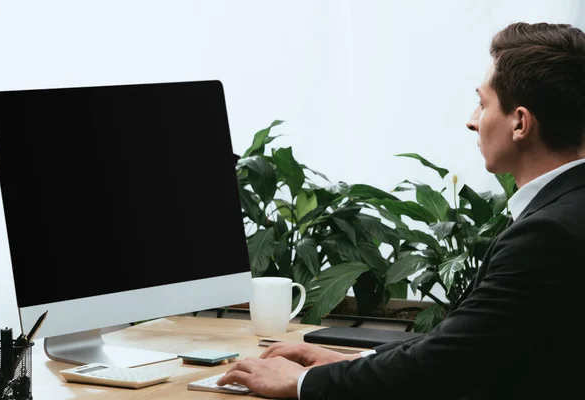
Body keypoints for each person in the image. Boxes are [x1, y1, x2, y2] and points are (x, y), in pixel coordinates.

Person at [217, 21, 585, 399]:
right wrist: (351, 361)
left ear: (520, 123)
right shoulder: (567, 209)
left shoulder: (547, 234)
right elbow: (475, 343)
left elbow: (451, 362)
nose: (472, 120)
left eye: (483, 102)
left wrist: (300, 383)